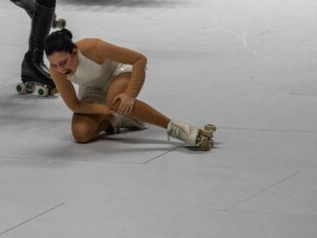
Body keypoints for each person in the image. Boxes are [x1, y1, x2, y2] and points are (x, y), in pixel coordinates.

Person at [45, 28, 215, 149]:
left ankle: (181, 130)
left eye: (63, 62)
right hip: (92, 89)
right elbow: (74, 105)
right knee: (81, 133)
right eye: (55, 65)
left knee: (117, 102)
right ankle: (118, 119)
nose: (60, 69)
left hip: (120, 73)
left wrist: (130, 94)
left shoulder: (94, 47)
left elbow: (140, 60)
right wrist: (102, 110)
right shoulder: (57, 70)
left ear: (74, 51)